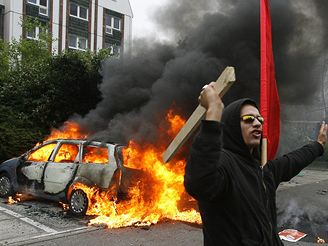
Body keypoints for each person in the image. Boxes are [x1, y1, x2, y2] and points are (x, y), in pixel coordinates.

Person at [184, 82, 327, 246]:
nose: (258, 123)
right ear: (231, 125)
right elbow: (199, 182)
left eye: (260, 119)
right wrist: (214, 111)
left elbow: (293, 160)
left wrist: (318, 145)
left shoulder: (263, 171)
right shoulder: (223, 163)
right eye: (248, 119)